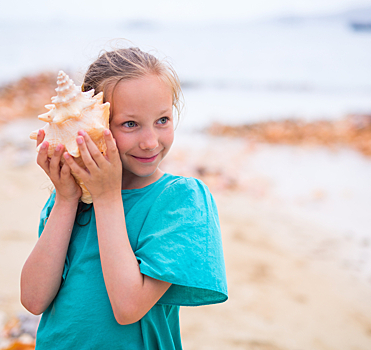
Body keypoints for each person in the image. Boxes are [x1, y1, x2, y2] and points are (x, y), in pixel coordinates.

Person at [20, 47, 228, 349]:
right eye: (130, 124)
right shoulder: (70, 200)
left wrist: (106, 197)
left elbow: (128, 307)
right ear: (95, 125)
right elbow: (34, 299)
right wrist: (66, 200)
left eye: (163, 120)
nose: (150, 141)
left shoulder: (180, 200)